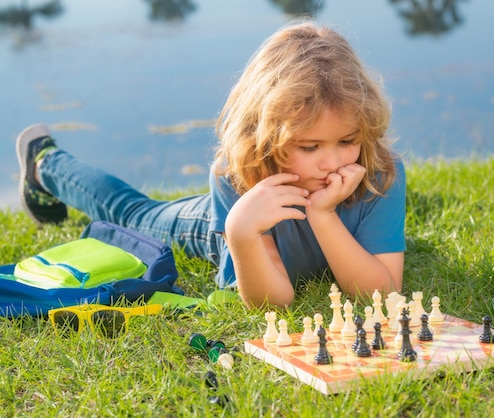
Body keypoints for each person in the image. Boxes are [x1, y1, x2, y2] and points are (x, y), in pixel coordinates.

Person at [15, 21, 407, 308]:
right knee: (132, 212)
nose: (332, 161)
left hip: (258, 221)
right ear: (266, 138)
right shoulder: (236, 177)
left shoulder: (380, 174)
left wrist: (323, 215)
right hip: (210, 226)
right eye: (309, 146)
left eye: (347, 141)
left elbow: (382, 293)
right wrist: (239, 230)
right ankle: (44, 162)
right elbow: (272, 303)